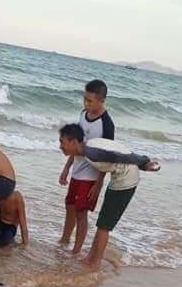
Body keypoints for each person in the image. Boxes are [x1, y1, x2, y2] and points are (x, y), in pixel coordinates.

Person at [58, 124, 161, 270]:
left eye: (62, 142)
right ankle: (91, 258)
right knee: (102, 223)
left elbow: (123, 156)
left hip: (125, 181)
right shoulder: (89, 148)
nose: (60, 146)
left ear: (74, 142)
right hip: (119, 178)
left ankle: (95, 262)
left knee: (104, 225)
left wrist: (145, 163)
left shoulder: (92, 153)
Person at [59, 79, 115, 255]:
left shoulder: (107, 124)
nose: (86, 103)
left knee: (81, 213)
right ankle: (64, 239)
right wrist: (67, 167)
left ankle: (76, 250)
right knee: (69, 206)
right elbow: (76, 143)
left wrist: (98, 185)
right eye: (85, 99)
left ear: (102, 100)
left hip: (91, 177)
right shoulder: (83, 114)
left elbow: (108, 156)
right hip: (77, 171)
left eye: (90, 101)